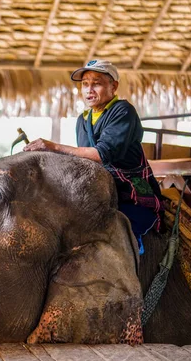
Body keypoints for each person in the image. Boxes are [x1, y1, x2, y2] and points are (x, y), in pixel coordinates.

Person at [23, 59, 162, 254]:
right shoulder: (83, 120)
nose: (89, 89)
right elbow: (84, 160)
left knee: (120, 234)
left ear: (113, 86)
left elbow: (101, 154)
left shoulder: (122, 111)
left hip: (129, 192)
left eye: (96, 83)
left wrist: (53, 146)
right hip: (100, 188)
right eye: (85, 84)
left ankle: (134, 254)